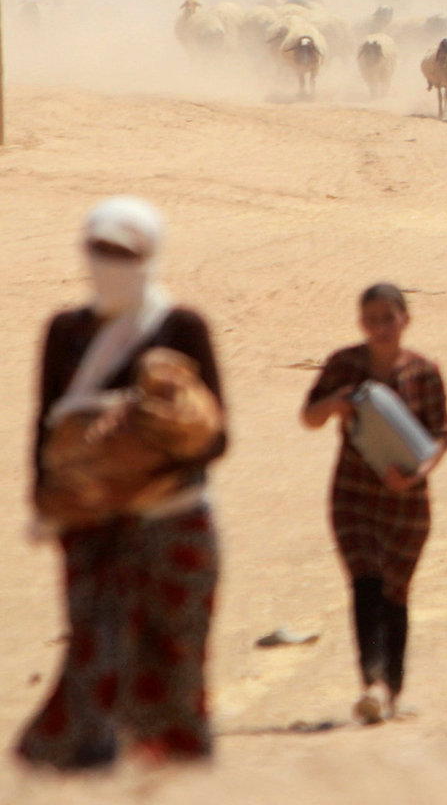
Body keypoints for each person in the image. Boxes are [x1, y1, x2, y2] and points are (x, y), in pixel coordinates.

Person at [20, 199, 226, 770]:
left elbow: (216, 437)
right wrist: (45, 498)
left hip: (173, 520)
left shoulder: (182, 328)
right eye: (101, 250)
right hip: (90, 525)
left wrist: (139, 450)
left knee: (176, 664)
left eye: (125, 253)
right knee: (94, 653)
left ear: (150, 255)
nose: (111, 263)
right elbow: (45, 425)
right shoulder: (67, 332)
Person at [301, 285, 447, 725]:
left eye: (388, 317)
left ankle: (393, 689)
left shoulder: (424, 372)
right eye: (371, 319)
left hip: (408, 501)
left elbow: (441, 437)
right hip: (353, 494)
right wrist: (335, 404)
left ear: (406, 319)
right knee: (365, 581)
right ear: (361, 323)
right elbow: (309, 416)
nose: (380, 327)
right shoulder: (344, 365)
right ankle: (372, 684)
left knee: (396, 592)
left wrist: (415, 477)